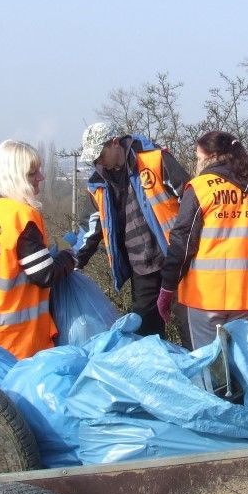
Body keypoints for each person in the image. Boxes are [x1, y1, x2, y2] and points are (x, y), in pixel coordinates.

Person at [158, 130, 248, 349]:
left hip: (205, 297)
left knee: (209, 371)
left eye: (198, 158)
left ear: (211, 157)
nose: (197, 164)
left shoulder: (201, 188)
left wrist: (167, 288)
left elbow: (181, 243)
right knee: (244, 368)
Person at [74, 122, 190, 339]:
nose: (98, 162)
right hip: (141, 268)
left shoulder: (154, 159)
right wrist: (72, 261)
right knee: (147, 335)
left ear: (115, 142)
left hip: (176, 260)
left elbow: (191, 199)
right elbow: (89, 229)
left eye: (100, 154)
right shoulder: (98, 184)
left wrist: (191, 246)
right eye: (94, 159)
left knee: (191, 326)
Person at [0, 140, 70, 359]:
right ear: (15, 176)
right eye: (32, 173)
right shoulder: (21, 218)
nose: (41, 177)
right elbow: (45, 274)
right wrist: (68, 257)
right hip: (15, 346)